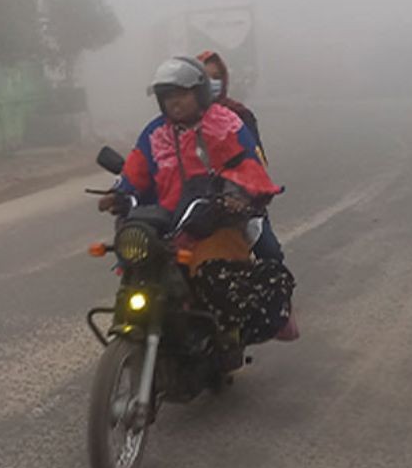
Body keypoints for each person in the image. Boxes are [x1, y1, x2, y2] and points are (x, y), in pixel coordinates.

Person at [101, 56, 295, 347]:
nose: (173, 102)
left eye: (181, 94)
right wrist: (119, 194)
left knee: (217, 276)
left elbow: (247, 169)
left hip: (213, 222)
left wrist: (234, 199)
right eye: (167, 96)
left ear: (199, 93)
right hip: (166, 224)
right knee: (138, 266)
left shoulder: (226, 124)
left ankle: (228, 333)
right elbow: (135, 171)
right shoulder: (155, 132)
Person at [197, 50, 285, 265]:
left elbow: (255, 162)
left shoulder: (239, 116)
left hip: (238, 203)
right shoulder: (177, 121)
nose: (212, 83)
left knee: (270, 253)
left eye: (216, 77)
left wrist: (240, 196)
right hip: (193, 204)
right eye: (205, 78)